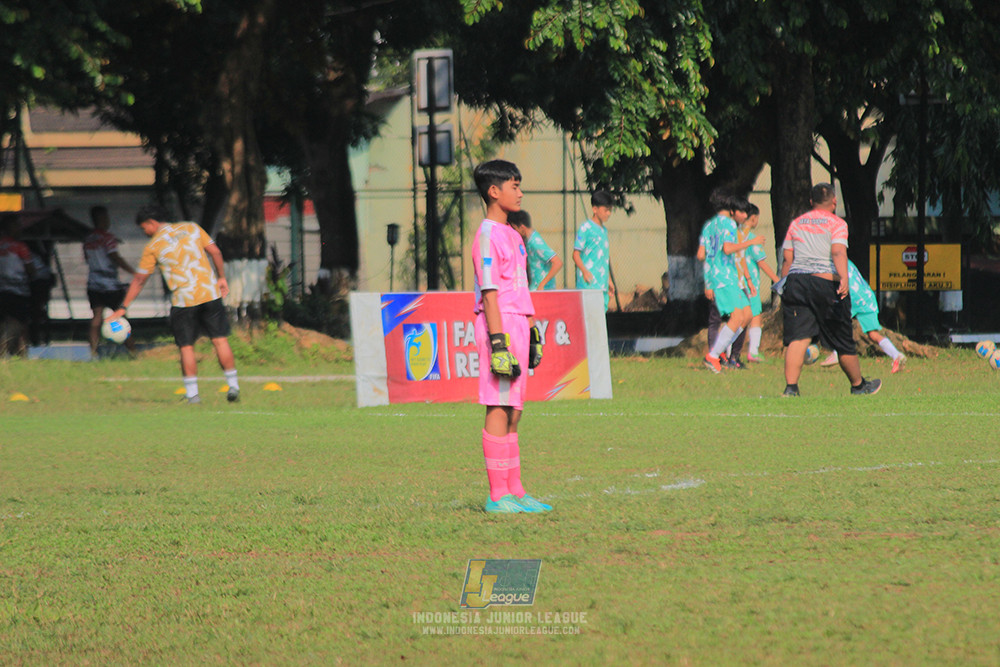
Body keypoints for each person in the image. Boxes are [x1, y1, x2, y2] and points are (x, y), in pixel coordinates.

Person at [471, 159, 550, 514]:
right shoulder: (487, 234)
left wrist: (532, 328)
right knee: (498, 406)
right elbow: (489, 293)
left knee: (515, 410)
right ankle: (496, 495)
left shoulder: (514, 235)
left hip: (518, 322)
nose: (519, 192)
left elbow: (519, 287)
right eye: (514, 186)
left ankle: (515, 491)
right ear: (494, 191)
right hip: (498, 324)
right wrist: (498, 342)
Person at [108, 205, 240, 404]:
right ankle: (233, 386)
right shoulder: (192, 228)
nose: (145, 232)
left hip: (184, 301)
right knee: (220, 340)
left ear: (151, 223)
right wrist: (221, 278)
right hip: (210, 293)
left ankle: (193, 394)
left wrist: (123, 307)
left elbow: (139, 280)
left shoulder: (153, 246)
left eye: (144, 228)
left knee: (186, 347)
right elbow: (215, 251)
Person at [779, 183, 881, 397]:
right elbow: (837, 252)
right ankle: (858, 385)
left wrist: (784, 285)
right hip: (825, 282)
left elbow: (788, 259)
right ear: (834, 202)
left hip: (796, 281)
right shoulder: (837, 223)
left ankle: (791, 388)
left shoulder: (796, 223)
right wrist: (843, 278)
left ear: (810, 202)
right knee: (841, 337)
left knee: (798, 337)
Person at [699, 191, 763, 373]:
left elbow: (702, 254)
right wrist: (751, 243)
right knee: (736, 317)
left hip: (726, 277)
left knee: (747, 314)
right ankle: (713, 356)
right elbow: (728, 249)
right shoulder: (728, 224)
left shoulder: (710, 225)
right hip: (724, 277)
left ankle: (721, 352)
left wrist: (708, 281)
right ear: (731, 208)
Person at [819, 259, 906, 373]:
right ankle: (896, 355)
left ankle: (836, 353)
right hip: (868, 298)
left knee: (837, 322)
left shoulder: (834, 262)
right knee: (873, 334)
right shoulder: (845, 259)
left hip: (855, 299)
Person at [84, 205, 137, 356]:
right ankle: (132, 351)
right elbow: (115, 257)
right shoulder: (107, 237)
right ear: (101, 219)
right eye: (105, 217)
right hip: (110, 285)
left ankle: (93, 352)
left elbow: (88, 259)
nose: (108, 221)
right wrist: (133, 272)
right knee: (121, 316)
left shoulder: (88, 239)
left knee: (96, 318)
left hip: (94, 283)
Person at [737, 203, 781, 362]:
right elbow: (762, 263)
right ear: (753, 218)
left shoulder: (736, 236)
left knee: (744, 316)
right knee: (753, 317)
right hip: (750, 286)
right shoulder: (752, 239)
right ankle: (752, 351)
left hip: (736, 283)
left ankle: (735, 351)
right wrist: (778, 281)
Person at [573, 190, 616, 311]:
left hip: (602, 283)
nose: (608, 213)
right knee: (588, 314)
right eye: (606, 210)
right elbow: (576, 254)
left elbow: (604, 258)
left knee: (601, 314)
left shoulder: (604, 231)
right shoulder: (585, 228)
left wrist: (609, 280)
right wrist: (584, 271)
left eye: (610, 210)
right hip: (589, 283)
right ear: (595, 209)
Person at [0, 214, 36, 356]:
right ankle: (9, 348)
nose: (20, 229)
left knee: (3, 322)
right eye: (17, 225)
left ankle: (20, 353)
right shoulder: (20, 247)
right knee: (19, 322)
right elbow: (31, 269)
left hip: (2, 290)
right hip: (17, 291)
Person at [508, 209, 563, 290]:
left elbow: (557, 263)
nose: (514, 232)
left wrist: (542, 284)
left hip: (542, 290)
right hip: (535, 287)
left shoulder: (535, 242)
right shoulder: (529, 241)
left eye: (515, 229)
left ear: (522, 227)